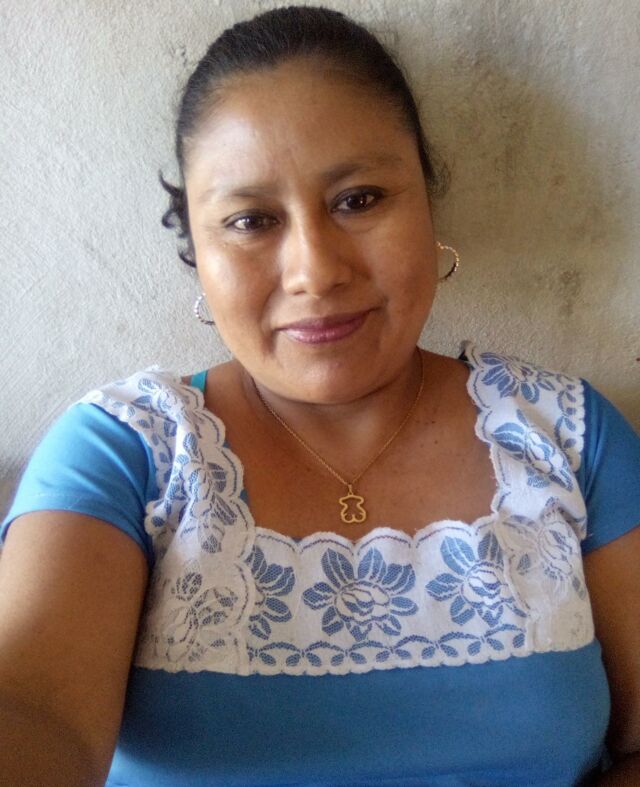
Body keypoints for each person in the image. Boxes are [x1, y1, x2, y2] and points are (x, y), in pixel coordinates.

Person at [1, 5, 639, 786]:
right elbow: (34, 708)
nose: (315, 269)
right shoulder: (125, 452)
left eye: (359, 199)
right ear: (196, 251)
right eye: (250, 220)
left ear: (428, 203)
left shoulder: (568, 439)